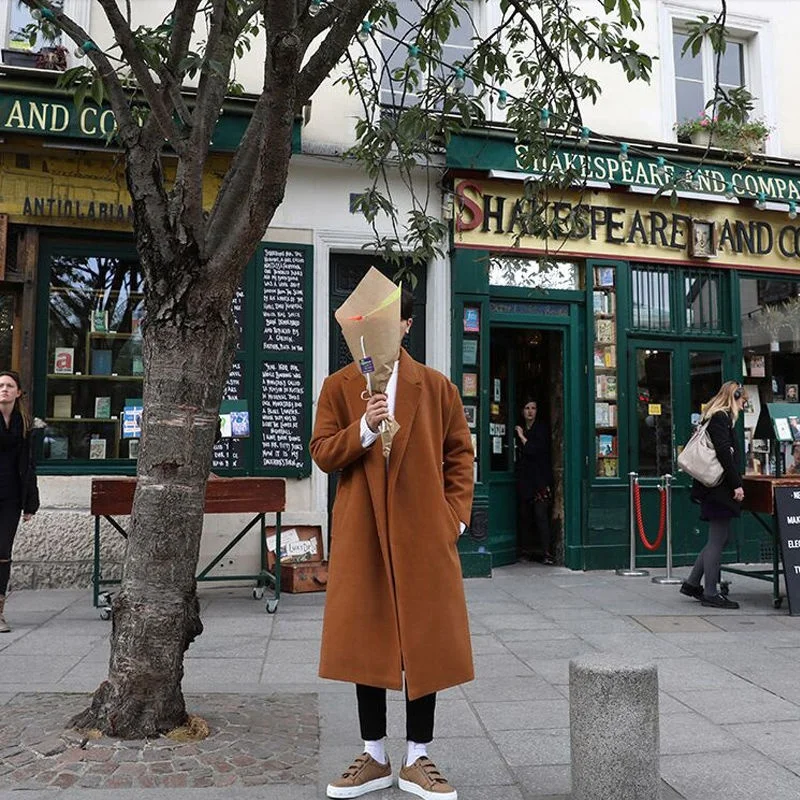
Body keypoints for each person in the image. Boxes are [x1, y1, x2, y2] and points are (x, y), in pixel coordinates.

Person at [310, 289, 474, 800]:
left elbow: (459, 454)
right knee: (368, 637)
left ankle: (418, 757)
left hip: (424, 532)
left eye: (387, 322)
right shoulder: (340, 387)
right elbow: (321, 452)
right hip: (364, 531)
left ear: (406, 326)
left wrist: (455, 520)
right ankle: (375, 755)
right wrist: (362, 428)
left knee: (424, 639)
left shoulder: (438, 387)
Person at [680, 381, 745, 610]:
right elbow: (723, 454)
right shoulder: (720, 417)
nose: (744, 403)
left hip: (715, 486)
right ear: (734, 396)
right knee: (718, 539)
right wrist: (737, 484)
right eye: (742, 398)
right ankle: (709, 593)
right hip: (718, 487)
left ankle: (692, 583)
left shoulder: (716, 417)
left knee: (718, 538)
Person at [0, 371, 40, 632]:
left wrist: (30, 503)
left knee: (3, 553)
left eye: (9, 385)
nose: (4, 389)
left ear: (18, 392)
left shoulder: (25, 424)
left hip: (11, 497)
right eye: (0, 385)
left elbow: (29, 466)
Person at [514, 399, 555, 564]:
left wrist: (522, 436)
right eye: (527, 408)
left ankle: (546, 552)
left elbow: (533, 450)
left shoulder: (541, 429)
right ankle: (525, 550)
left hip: (539, 480)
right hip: (525, 479)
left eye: (533, 408)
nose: (530, 411)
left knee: (541, 516)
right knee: (524, 516)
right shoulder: (518, 426)